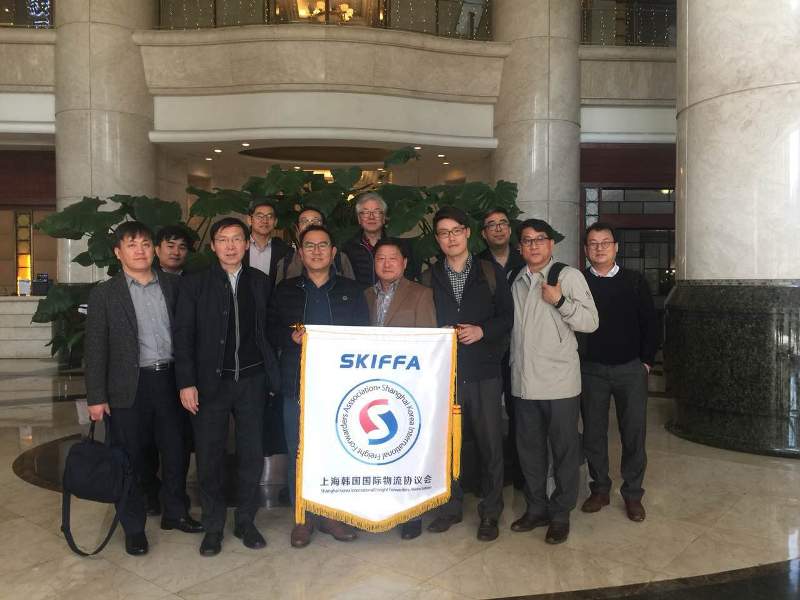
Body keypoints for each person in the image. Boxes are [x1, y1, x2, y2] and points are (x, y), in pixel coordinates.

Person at [85, 221, 203, 557]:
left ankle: (175, 512)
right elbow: (95, 349)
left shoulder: (174, 286)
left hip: (170, 381)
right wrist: (96, 397)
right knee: (130, 458)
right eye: (131, 245)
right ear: (118, 252)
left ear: (154, 250)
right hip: (128, 387)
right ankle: (134, 526)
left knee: (176, 451)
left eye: (146, 244)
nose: (140, 251)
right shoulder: (105, 294)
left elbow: (189, 335)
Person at [174, 217, 280, 556]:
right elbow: (183, 335)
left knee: (251, 455)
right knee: (209, 458)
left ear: (247, 244)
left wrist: (272, 374)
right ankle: (213, 525)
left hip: (252, 381)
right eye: (223, 239)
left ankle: (246, 521)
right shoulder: (195, 283)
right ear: (213, 246)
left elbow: (270, 330)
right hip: (210, 383)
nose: (230, 246)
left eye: (237, 239)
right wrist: (186, 382)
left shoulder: (261, 282)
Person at [268, 224, 369, 548]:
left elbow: (364, 335)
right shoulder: (285, 290)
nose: (316, 251)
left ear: (333, 252)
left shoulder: (352, 290)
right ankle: (303, 517)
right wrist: (290, 337)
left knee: (336, 450)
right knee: (299, 450)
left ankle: (331, 515)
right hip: (296, 383)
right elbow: (269, 331)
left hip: (340, 386)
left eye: (323, 245)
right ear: (300, 253)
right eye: (309, 246)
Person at [421, 206, 513, 542]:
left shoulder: (490, 271)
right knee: (447, 444)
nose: (451, 238)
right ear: (437, 239)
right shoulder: (428, 277)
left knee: (490, 445)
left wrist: (482, 331)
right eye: (444, 233)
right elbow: (423, 321)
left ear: (468, 233)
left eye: (456, 231)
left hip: (484, 372)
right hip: (445, 375)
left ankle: (490, 512)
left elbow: (507, 318)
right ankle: (450, 507)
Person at [509, 218, 598, 545]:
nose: (533, 245)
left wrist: (560, 301)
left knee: (564, 451)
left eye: (539, 239)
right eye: (527, 240)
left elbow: (590, 321)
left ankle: (560, 514)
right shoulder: (515, 279)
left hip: (559, 383)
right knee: (529, 451)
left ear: (551, 244)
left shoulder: (568, 276)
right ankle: (536, 508)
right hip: (523, 381)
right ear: (520, 247)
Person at [580, 222, 659, 522]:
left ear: (616, 247)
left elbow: (650, 323)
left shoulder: (634, 281)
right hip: (591, 370)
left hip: (630, 370)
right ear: (586, 249)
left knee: (634, 433)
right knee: (593, 433)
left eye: (605, 242)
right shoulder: (578, 282)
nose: (599, 248)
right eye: (593, 243)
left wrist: (646, 362)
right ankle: (600, 489)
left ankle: (633, 493)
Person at [364, 238, 437, 540]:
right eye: (380, 258)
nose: (386, 263)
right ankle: (379, 506)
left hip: (409, 387)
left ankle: (412, 513)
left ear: (405, 263)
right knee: (379, 450)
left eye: (393, 258)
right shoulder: (365, 296)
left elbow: (429, 343)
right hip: (372, 387)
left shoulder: (421, 294)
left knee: (409, 451)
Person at [477, 208, 526, 490]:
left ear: (510, 229)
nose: (498, 228)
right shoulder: (476, 264)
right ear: (483, 234)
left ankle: (520, 471)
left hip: (521, 347)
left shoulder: (525, 261)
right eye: (491, 225)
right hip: (487, 349)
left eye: (503, 224)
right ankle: (488, 475)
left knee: (520, 412)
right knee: (487, 414)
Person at [341, 192, 415, 287]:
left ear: (384, 218)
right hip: (360, 296)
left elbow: (409, 280)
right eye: (366, 212)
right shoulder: (348, 248)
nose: (371, 217)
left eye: (376, 212)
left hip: (396, 295)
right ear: (359, 219)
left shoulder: (401, 246)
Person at [273, 206, 355, 284]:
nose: (310, 225)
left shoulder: (340, 259)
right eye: (304, 221)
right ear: (297, 229)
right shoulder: (286, 262)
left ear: (324, 227)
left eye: (315, 221)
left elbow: (351, 290)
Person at [246, 199, 291, 281]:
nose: (265, 221)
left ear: (275, 222)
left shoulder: (285, 251)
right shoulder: (238, 247)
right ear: (250, 220)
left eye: (270, 216)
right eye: (259, 216)